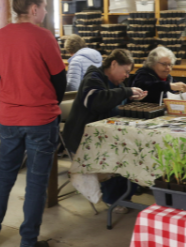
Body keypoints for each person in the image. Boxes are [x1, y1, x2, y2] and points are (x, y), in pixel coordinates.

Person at [0, 0, 67, 247]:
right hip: (40, 118)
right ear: (33, 8)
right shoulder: (44, 37)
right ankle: (28, 243)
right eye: (44, 8)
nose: (45, 13)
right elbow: (59, 80)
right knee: (36, 182)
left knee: (4, 174)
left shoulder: (1, 36)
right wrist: (47, 100)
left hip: (10, 117)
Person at [62, 48, 147, 206]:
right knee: (128, 151)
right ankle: (115, 197)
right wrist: (125, 92)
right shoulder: (93, 77)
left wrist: (129, 97)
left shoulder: (118, 82)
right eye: (126, 71)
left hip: (105, 134)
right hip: (82, 137)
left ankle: (124, 191)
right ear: (114, 64)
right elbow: (95, 101)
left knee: (139, 146)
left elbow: (115, 102)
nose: (127, 76)